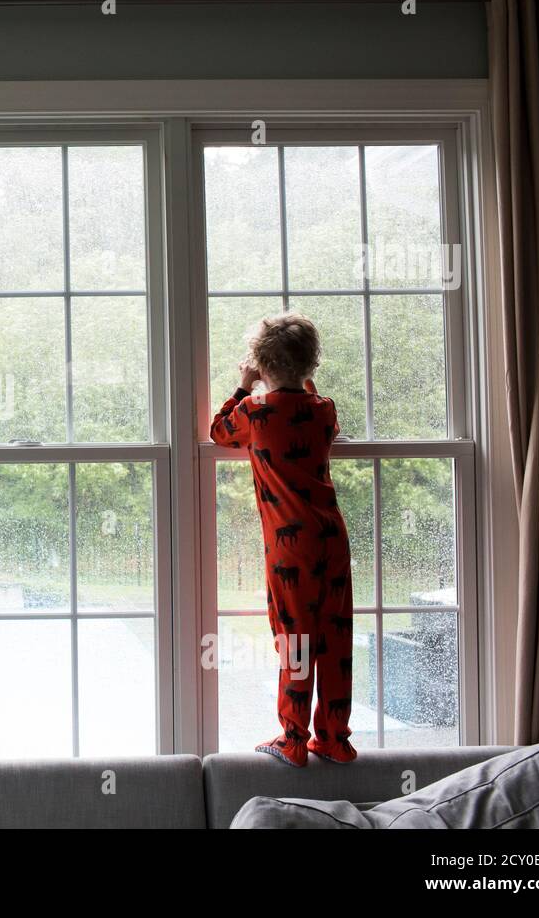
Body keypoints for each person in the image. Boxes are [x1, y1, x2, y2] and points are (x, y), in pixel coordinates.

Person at [210, 311, 357, 766]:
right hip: (332, 538)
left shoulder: (254, 412)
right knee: (334, 637)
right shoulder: (323, 410)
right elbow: (315, 410)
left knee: (295, 639)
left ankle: (293, 737)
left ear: (258, 362)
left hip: (290, 549)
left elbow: (218, 432)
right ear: (311, 364)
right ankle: (334, 737)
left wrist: (243, 384)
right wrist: (303, 381)